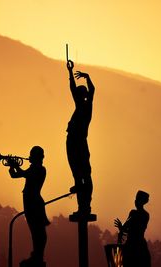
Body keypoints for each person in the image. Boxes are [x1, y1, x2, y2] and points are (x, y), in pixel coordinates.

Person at [7, 146, 50, 267]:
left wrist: (15, 165)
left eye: (31, 154)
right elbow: (14, 175)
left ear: (37, 157)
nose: (29, 156)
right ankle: (36, 254)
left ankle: (38, 255)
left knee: (38, 231)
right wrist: (11, 166)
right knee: (35, 231)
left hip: (34, 202)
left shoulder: (40, 169)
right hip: (30, 202)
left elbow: (22, 173)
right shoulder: (33, 168)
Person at [66, 59, 95, 217]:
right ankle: (82, 205)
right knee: (77, 174)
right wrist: (70, 72)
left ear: (82, 96)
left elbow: (92, 91)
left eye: (78, 94)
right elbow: (73, 89)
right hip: (72, 143)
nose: (75, 96)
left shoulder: (86, 107)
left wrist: (87, 77)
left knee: (84, 174)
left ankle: (86, 205)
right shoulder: (81, 106)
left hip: (79, 144)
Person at [114, 190, 151, 267]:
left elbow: (127, 228)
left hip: (132, 246)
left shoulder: (134, 213)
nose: (135, 201)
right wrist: (122, 228)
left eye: (137, 199)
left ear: (141, 201)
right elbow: (132, 229)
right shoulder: (145, 215)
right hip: (140, 246)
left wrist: (121, 228)